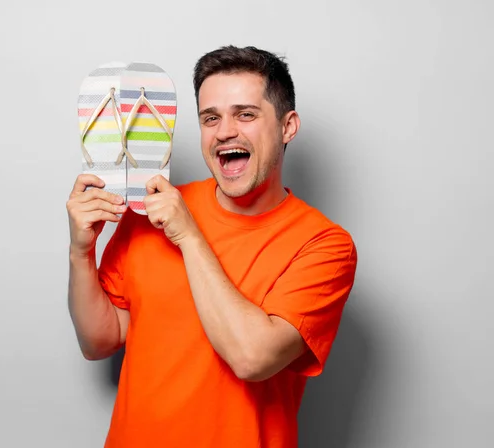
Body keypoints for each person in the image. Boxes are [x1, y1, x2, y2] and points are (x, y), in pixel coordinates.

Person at [66, 45, 358, 448]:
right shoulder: (151, 209)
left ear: (288, 126)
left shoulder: (325, 245)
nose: (224, 132)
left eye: (246, 114)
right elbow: (99, 341)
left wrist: (188, 235)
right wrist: (80, 253)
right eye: (210, 118)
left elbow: (252, 357)